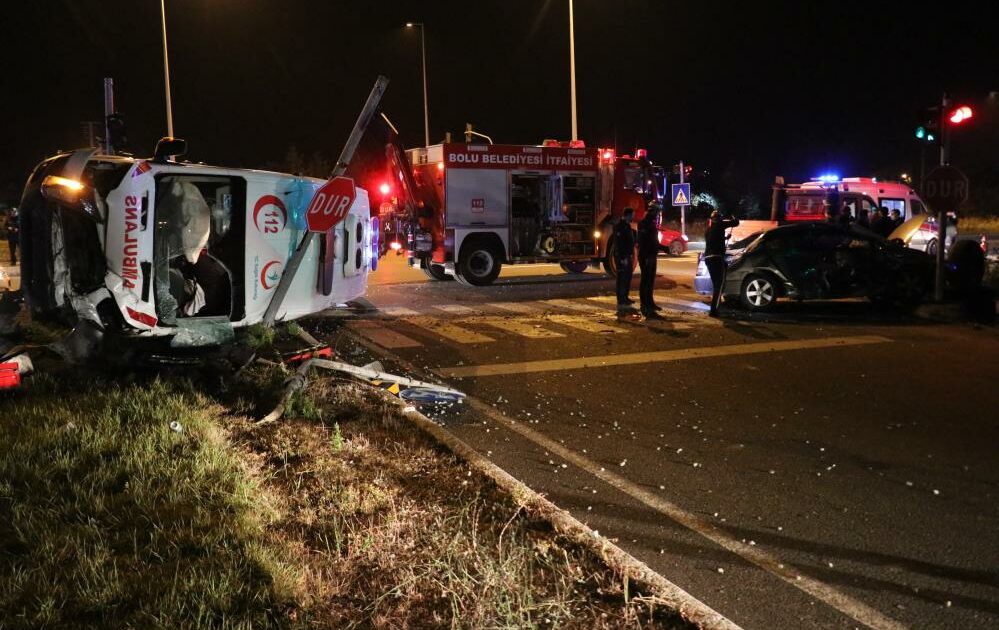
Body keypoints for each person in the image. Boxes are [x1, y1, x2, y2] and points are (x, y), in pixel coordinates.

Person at [703, 210, 740, 317]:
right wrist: (733, 215)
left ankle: (716, 306)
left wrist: (725, 238)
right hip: (716, 258)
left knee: (717, 284)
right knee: (718, 285)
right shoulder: (720, 224)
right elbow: (735, 223)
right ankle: (714, 310)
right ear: (719, 219)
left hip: (709, 259)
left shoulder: (708, 230)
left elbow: (714, 240)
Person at [636, 206, 662, 316]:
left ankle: (650, 303)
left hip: (651, 255)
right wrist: (646, 257)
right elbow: (643, 241)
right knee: (645, 280)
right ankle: (644, 304)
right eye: (656, 213)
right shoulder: (644, 224)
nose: (657, 216)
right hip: (646, 256)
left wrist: (665, 248)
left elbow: (654, 241)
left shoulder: (650, 223)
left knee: (650, 280)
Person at [613, 207, 636, 310]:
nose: (633, 217)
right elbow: (619, 244)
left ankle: (625, 297)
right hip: (623, 256)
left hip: (627, 255)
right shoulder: (620, 227)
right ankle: (621, 299)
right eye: (632, 215)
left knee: (627, 277)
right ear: (628, 215)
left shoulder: (626, 226)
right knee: (622, 278)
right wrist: (622, 257)